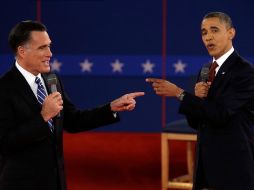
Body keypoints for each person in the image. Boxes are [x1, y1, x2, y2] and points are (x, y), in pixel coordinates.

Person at [0, 20, 144, 190]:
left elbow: (73, 121)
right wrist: (43, 117)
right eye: (42, 48)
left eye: (49, 46)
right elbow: (4, 143)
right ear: (22, 51)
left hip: (56, 182)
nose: (50, 53)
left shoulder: (51, 80)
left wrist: (111, 107)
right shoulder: (4, 88)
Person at [146, 12, 254, 190]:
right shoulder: (205, 70)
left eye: (214, 30)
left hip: (233, 164)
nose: (208, 37)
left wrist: (180, 93)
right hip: (205, 163)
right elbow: (196, 122)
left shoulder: (244, 72)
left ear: (231, 33)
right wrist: (196, 98)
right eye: (204, 32)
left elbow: (221, 115)